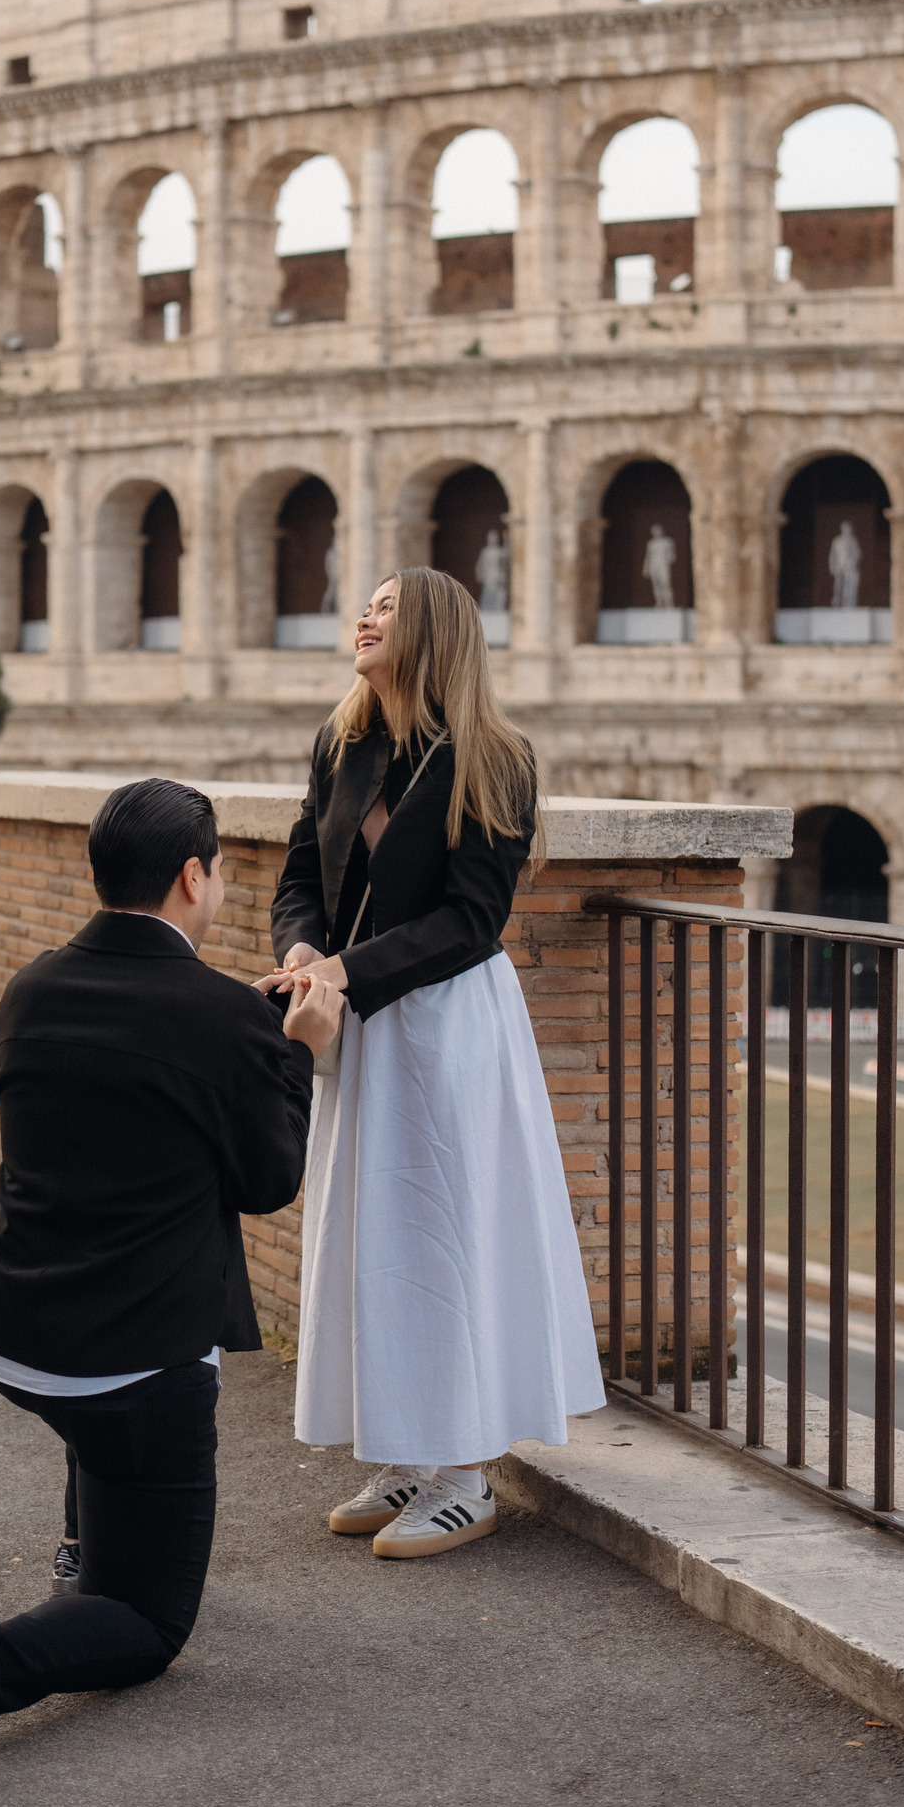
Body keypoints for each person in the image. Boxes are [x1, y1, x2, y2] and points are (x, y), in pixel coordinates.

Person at [0, 777, 341, 1792]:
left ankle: (83, 1542)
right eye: (224, 870)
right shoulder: (217, 1022)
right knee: (147, 1623)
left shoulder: (30, 986)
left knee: (100, 1427)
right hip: (130, 1367)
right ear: (194, 877)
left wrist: (234, 1032)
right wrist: (299, 1057)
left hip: (13, 1332)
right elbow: (269, 1179)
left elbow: (125, 1069)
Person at [262, 567, 604, 1560]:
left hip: (448, 1023)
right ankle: (410, 1451)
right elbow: (298, 873)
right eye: (361, 605)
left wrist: (343, 967)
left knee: (445, 1230)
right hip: (357, 1013)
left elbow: (470, 920)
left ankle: (464, 1472)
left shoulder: (492, 757)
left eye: (385, 606)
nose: (362, 618)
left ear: (433, 632)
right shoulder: (342, 743)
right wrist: (298, 954)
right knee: (374, 1233)